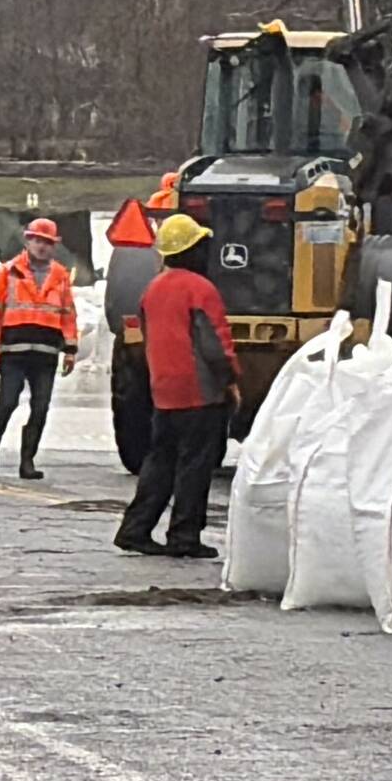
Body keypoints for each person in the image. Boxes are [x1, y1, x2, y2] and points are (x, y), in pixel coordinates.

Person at [115, 213, 239, 559]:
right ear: (192, 250)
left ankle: (135, 528)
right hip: (199, 392)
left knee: (160, 463)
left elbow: (148, 336)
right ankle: (184, 536)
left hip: (164, 392)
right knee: (195, 466)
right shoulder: (200, 289)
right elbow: (214, 344)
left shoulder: (152, 289)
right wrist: (230, 380)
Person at [0, 218, 78, 480]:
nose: (42, 247)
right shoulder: (8, 271)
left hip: (46, 353)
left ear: (54, 246)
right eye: (37, 241)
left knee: (40, 407)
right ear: (28, 241)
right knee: (8, 401)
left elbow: (68, 314)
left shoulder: (60, 276)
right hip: (13, 350)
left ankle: (27, 461)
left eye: (47, 242)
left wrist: (70, 349)